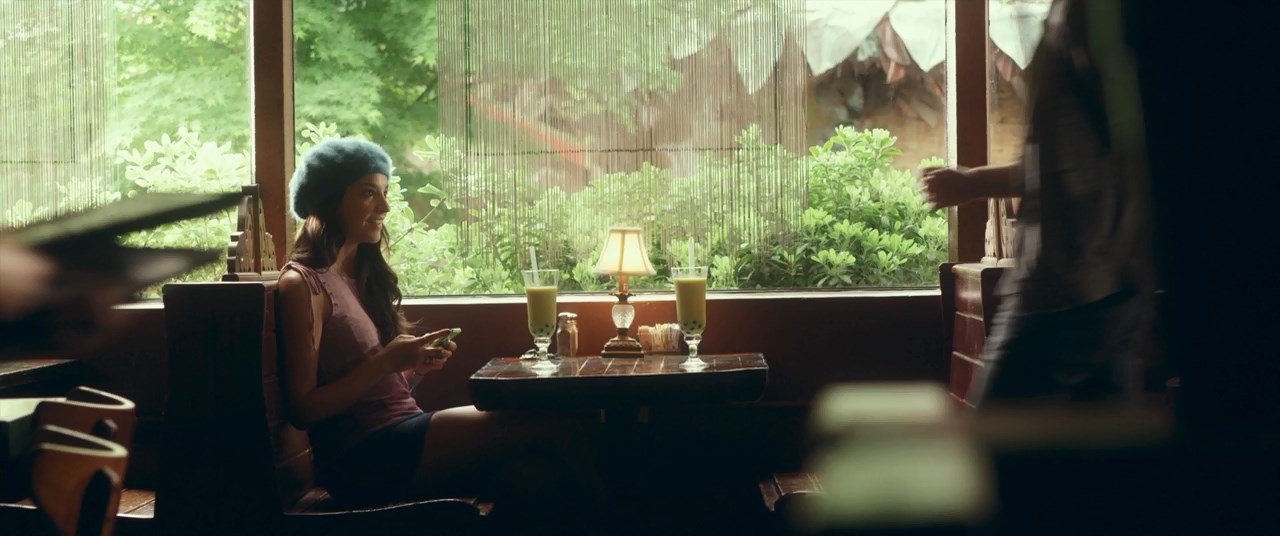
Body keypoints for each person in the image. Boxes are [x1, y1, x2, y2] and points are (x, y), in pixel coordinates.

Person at [276, 138, 601, 528]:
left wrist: (412, 364)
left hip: (400, 432)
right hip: (363, 455)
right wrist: (384, 363)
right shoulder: (302, 283)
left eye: (385, 192)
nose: (385, 207)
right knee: (557, 425)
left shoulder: (357, 276)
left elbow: (370, 383)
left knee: (533, 476)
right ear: (327, 199)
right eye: (368, 193)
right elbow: (304, 409)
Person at [918, 0, 1153, 407]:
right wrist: (972, 182)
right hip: (1104, 286)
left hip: (1068, 285)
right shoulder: (1075, 18)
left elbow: (1128, 147)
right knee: (1108, 439)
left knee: (995, 438)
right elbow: (1056, 166)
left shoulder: (1085, 17)